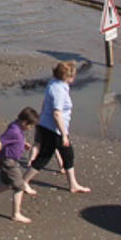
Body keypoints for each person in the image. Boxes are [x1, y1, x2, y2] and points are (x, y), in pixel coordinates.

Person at [28, 60, 92, 193]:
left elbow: (45, 103)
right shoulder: (59, 90)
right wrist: (64, 135)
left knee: (66, 155)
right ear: (66, 76)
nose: (74, 77)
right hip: (54, 128)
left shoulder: (54, 83)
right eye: (73, 75)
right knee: (46, 157)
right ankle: (23, 181)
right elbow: (57, 114)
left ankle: (73, 184)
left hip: (47, 125)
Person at [0, 106, 39, 222]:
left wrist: (23, 143)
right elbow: (0, 141)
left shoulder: (16, 126)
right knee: (20, 187)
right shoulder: (14, 131)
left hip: (10, 160)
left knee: (7, 184)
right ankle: (16, 214)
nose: (31, 128)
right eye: (30, 126)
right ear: (24, 122)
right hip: (8, 162)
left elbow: (15, 139)